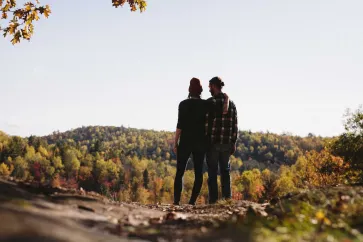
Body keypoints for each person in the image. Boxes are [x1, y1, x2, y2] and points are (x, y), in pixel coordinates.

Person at [173, 78, 228, 205]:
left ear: (189, 90)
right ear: (201, 91)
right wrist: (226, 96)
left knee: (180, 171)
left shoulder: (183, 104)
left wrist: (175, 142)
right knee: (198, 172)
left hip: (185, 141)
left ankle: (176, 201)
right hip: (200, 142)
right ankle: (192, 202)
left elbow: (179, 125)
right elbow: (222, 107)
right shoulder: (206, 104)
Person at [206, 76, 238, 204]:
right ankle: (227, 199)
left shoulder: (210, 102)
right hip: (226, 143)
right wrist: (233, 142)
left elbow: (206, 125)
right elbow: (235, 125)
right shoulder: (232, 104)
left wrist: (206, 141)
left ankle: (213, 201)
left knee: (212, 172)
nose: (209, 89)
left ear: (214, 86)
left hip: (213, 143)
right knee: (225, 172)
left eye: (209, 86)